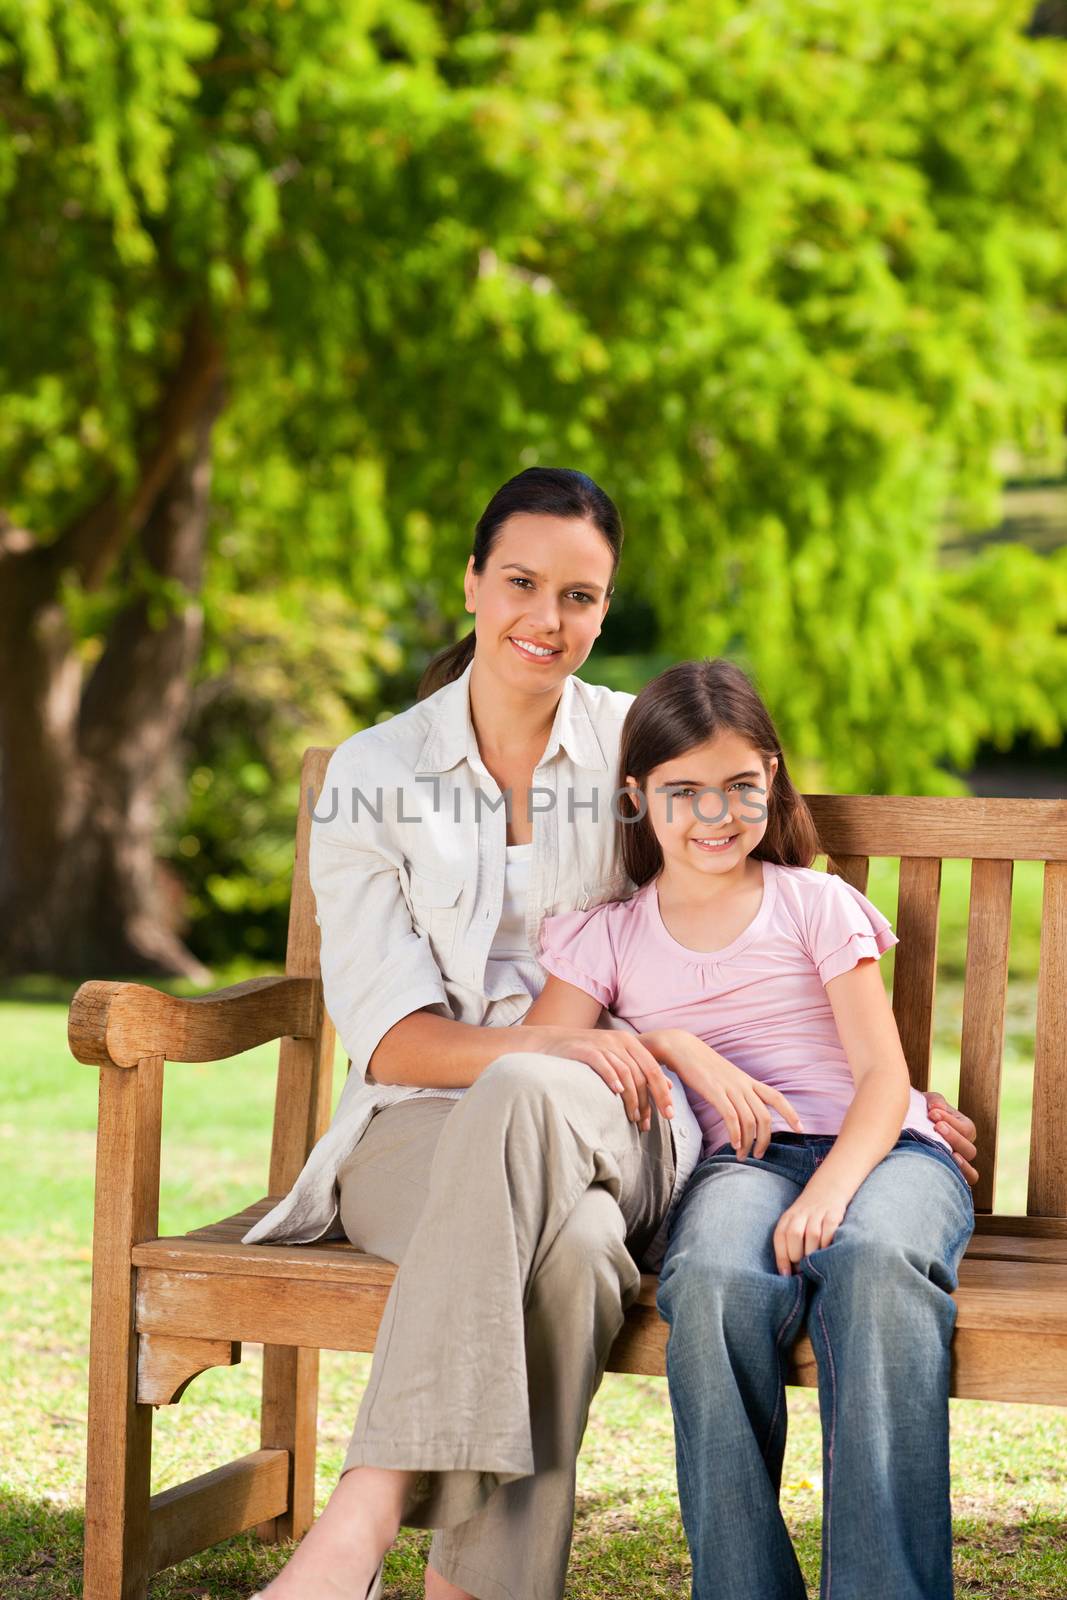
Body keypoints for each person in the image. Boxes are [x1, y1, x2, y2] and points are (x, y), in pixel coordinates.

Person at [247, 470, 978, 1600]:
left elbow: (722, 905)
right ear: (473, 583)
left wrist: (868, 1099)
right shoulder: (373, 775)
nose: (548, 619)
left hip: (619, 1119)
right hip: (424, 1129)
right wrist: (648, 1047)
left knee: (546, 1111)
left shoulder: (634, 746)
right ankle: (461, 1578)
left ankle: (361, 1525)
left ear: (604, 605)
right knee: (576, 1244)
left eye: (580, 597)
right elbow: (394, 1044)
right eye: (523, 584)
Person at [529, 657, 976, 1600]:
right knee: (718, 1278)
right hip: (740, 1167)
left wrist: (829, 1192)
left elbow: (881, 1078)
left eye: (739, 786)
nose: (715, 815)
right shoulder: (609, 935)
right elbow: (535, 1054)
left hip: (882, 1148)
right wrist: (667, 1042)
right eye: (682, 792)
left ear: (770, 778)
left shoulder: (811, 905)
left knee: (874, 1260)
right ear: (637, 797)